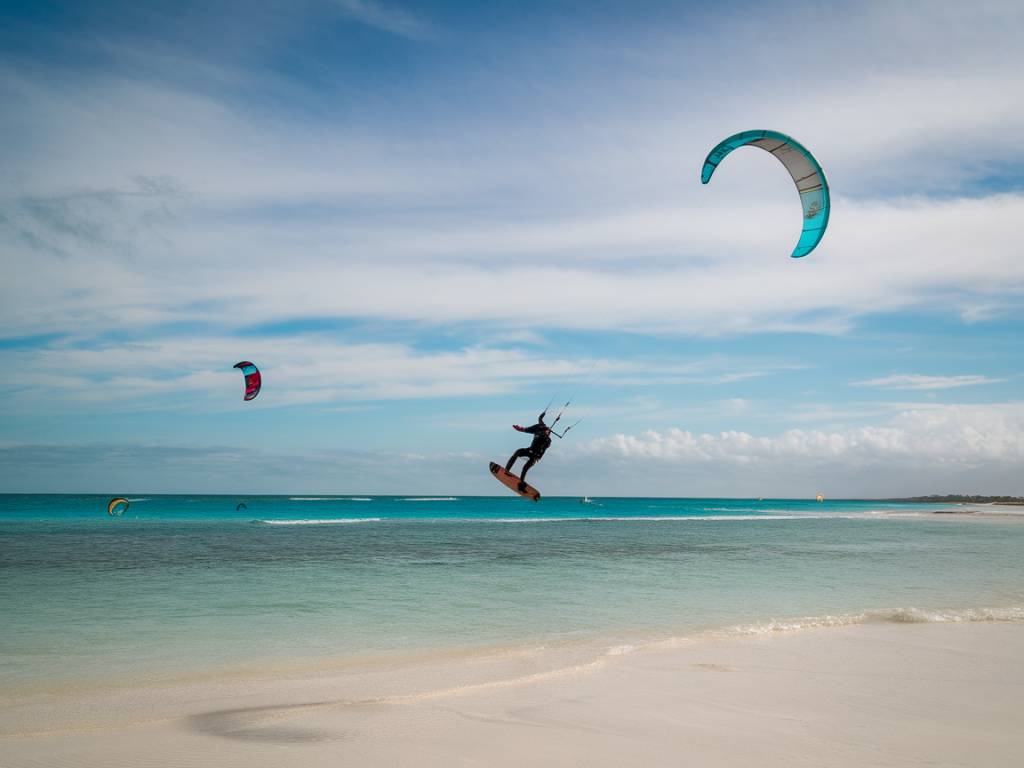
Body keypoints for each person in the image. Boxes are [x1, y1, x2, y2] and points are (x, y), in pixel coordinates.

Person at [505, 411, 564, 491]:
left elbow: (546, 445)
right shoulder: (539, 429)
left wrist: (545, 437)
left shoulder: (548, 440)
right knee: (518, 452)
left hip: (536, 457)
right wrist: (543, 415)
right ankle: (507, 471)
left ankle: (521, 483)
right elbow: (540, 419)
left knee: (525, 468)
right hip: (530, 450)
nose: (548, 432)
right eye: (547, 431)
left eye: (549, 432)